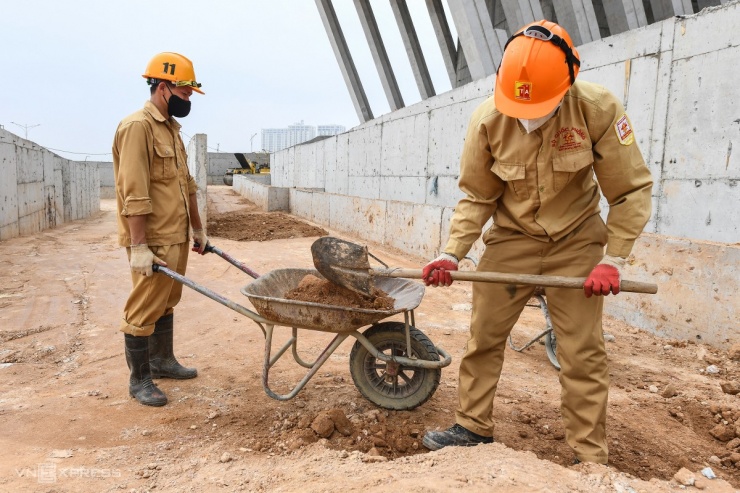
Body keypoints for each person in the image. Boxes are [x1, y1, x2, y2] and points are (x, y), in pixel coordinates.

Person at [421, 20, 653, 465]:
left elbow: (629, 190)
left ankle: (590, 459)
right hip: (512, 238)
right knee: (483, 337)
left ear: (568, 83)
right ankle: (472, 427)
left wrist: (614, 258)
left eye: (540, 107)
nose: (529, 117)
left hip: (578, 241)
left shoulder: (598, 109)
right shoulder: (488, 120)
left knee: (581, 351)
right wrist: (453, 252)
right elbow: (478, 194)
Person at [112, 52, 210, 407]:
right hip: (151, 239)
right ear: (164, 87)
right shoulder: (137, 127)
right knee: (143, 308)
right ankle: (139, 381)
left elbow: (188, 184)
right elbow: (133, 193)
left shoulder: (171, 129)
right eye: (184, 95)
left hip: (176, 235)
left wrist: (198, 229)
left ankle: (162, 361)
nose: (187, 102)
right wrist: (139, 246)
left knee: (167, 301)